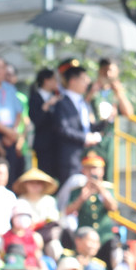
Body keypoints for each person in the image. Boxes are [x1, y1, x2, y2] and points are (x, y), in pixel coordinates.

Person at [44, 61, 104, 189]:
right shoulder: (61, 103)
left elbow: (88, 127)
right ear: (73, 81)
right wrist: (85, 138)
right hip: (69, 158)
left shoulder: (85, 104)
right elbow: (62, 128)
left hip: (86, 156)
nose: (87, 82)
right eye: (84, 79)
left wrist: (106, 120)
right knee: (71, 192)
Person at [63, 153, 117, 242]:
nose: (92, 172)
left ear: (102, 171)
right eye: (88, 168)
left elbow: (113, 207)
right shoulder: (77, 190)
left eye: (95, 168)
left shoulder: (108, 189)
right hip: (84, 236)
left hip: (104, 235)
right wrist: (81, 198)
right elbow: (68, 211)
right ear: (83, 170)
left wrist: (101, 190)